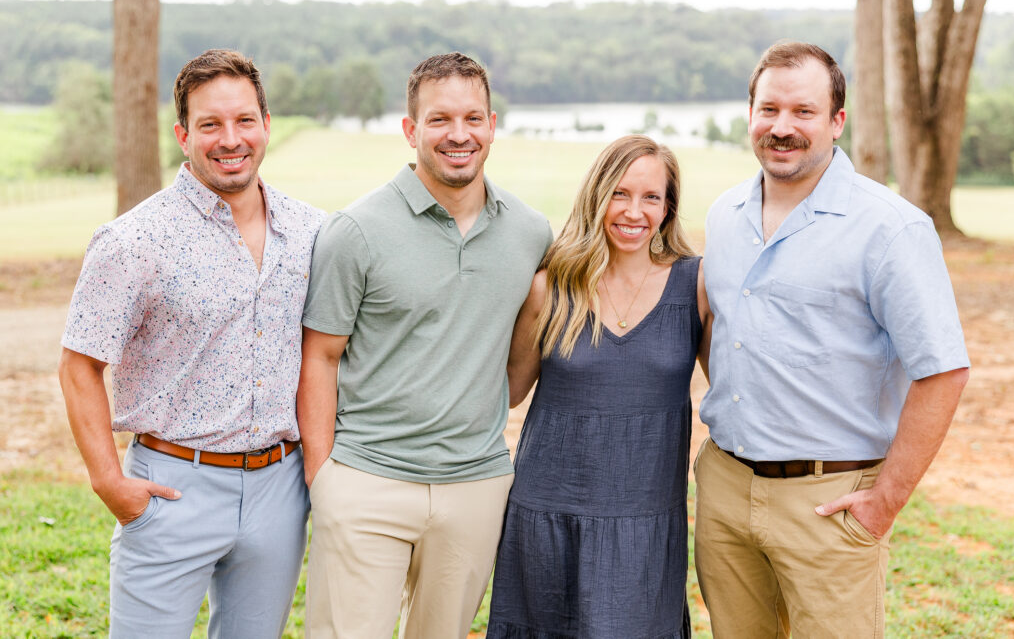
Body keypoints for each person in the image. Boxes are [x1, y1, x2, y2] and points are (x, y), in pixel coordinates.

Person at [695, 41, 970, 638]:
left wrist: (884, 501)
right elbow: (720, 331)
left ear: (836, 121)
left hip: (832, 502)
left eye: (803, 111)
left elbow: (943, 371)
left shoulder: (891, 228)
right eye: (768, 109)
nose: (782, 127)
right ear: (750, 114)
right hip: (725, 491)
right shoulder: (724, 214)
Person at [57, 49, 324, 638]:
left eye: (243, 120)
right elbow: (79, 366)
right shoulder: (132, 241)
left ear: (266, 124)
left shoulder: (313, 232)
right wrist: (110, 483)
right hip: (171, 487)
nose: (230, 139)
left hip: (280, 488)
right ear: (183, 135)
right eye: (210, 124)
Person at [298, 52, 552, 639]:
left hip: (476, 486)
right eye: (439, 120)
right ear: (411, 130)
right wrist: (325, 479)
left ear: (492, 125)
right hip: (368, 480)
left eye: (472, 119)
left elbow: (524, 349)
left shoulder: (529, 231)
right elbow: (320, 357)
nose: (458, 135)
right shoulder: (356, 231)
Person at [486, 135, 711, 639]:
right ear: (596, 196)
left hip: (645, 522)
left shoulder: (695, 286)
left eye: (651, 197)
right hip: (549, 512)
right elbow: (508, 390)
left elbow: (735, 388)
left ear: (668, 207)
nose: (634, 211)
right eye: (619, 193)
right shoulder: (551, 286)